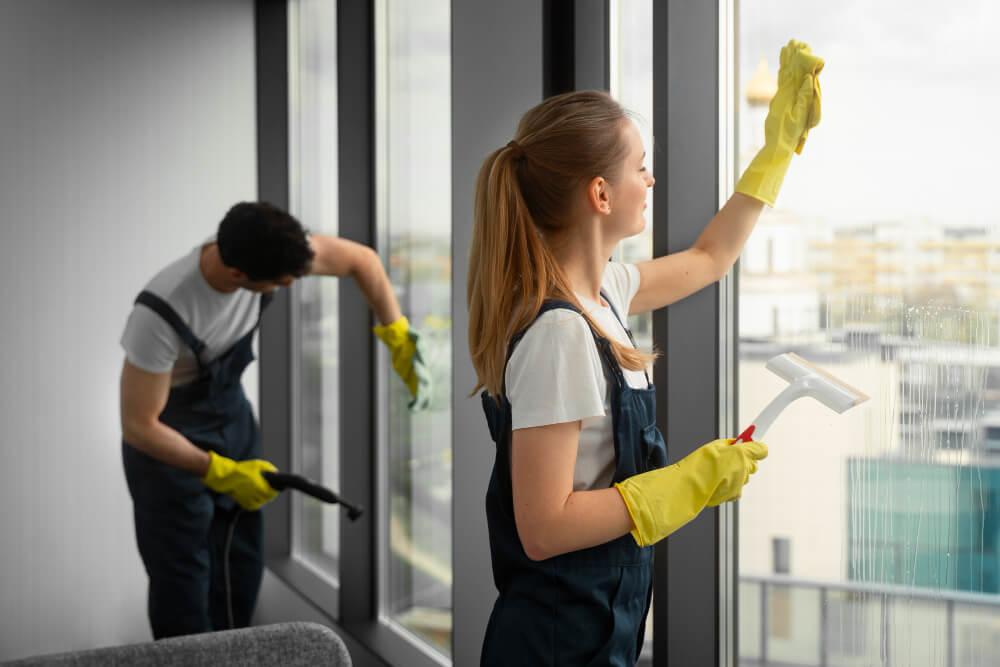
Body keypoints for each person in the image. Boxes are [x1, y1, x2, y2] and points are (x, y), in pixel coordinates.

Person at [468, 40, 823, 665]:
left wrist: (776, 152)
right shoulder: (560, 332)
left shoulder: (605, 289)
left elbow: (711, 258)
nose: (651, 180)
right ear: (601, 195)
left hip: (601, 626)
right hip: (554, 643)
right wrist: (687, 483)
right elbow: (543, 527)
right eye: (641, 167)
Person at [119, 201, 429, 638]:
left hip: (231, 419)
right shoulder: (161, 311)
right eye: (282, 282)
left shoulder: (275, 249)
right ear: (237, 277)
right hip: (167, 444)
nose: (290, 284)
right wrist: (218, 470)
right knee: (183, 590)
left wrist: (396, 333)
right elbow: (138, 425)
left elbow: (362, 261)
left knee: (239, 572)